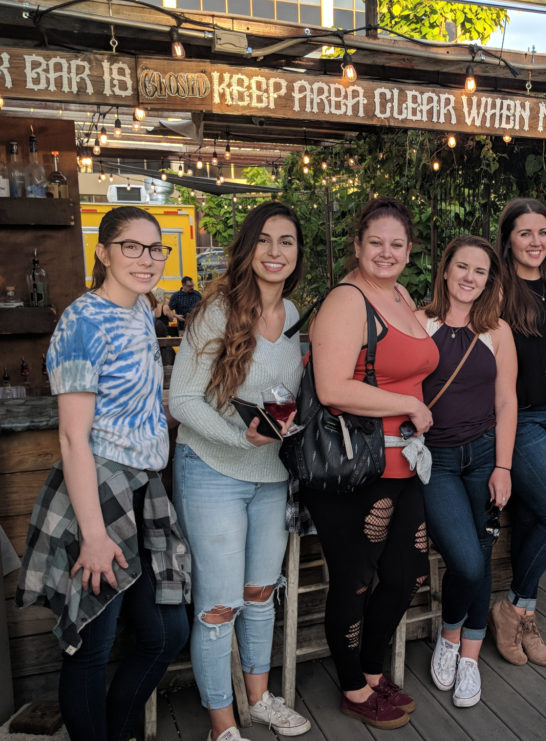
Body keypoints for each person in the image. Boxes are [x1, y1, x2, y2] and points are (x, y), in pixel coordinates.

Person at [17, 206, 190, 741]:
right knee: (92, 641)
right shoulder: (82, 320)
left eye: (155, 248)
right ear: (103, 251)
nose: (146, 259)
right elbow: (72, 438)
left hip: (143, 491)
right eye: (131, 247)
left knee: (166, 634)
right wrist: (93, 535)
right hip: (97, 489)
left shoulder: (142, 308)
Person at [169, 202, 311, 741]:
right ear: (249, 248)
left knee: (259, 593)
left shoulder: (295, 315)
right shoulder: (217, 310)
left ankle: (259, 700)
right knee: (218, 604)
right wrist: (237, 436)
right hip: (213, 470)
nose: (276, 252)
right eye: (266, 241)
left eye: (287, 242)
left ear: (297, 254)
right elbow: (182, 398)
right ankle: (222, 725)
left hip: (271, 477)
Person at [301, 196, 438, 730]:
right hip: (357, 464)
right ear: (357, 246)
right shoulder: (346, 300)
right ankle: (354, 689)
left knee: (406, 576)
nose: (385, 252)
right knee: (355, 580)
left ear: (409, 251)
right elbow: (333, 388)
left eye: (396, 244)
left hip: (404, 463)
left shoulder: (400, 294)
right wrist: (408, 404)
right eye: (374, 243)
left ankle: (374, 672)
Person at [415, 235, 517, 708]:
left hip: (484, 458)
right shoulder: (420, 322)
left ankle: (470, 657)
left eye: (480, 271)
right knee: (469, 560)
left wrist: (504, 465)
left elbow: (506, 401)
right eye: (462, 267)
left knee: (483, 548)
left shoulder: (497, 330)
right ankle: (451, 636)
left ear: (489, 280)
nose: (469, 277)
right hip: (437, 461)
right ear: (445, 269)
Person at [489, 198, 546, 668]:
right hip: (518, 420)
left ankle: (524, 614)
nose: (535, 242)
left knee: (532, 519)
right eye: (525, 233)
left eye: (542, 233)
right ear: (508, 239)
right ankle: (511, 608)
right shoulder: (496, 290)